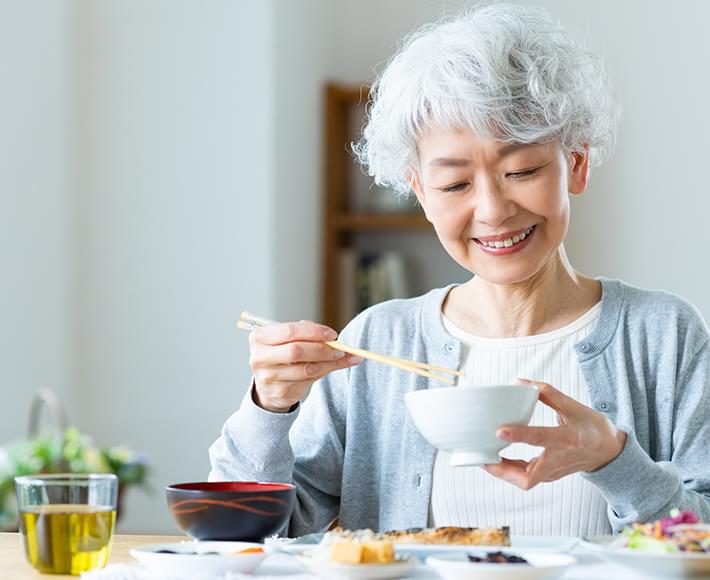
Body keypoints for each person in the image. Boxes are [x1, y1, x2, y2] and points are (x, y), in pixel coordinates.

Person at [209, 3, 710, 537]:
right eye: (454, 185)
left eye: (522, 170)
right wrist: (270, 406)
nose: (493, 211)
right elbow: (247, 537)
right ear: (420, 192)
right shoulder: (381, 342)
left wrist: (615, 459)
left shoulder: (663, 336)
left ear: (577, 163)